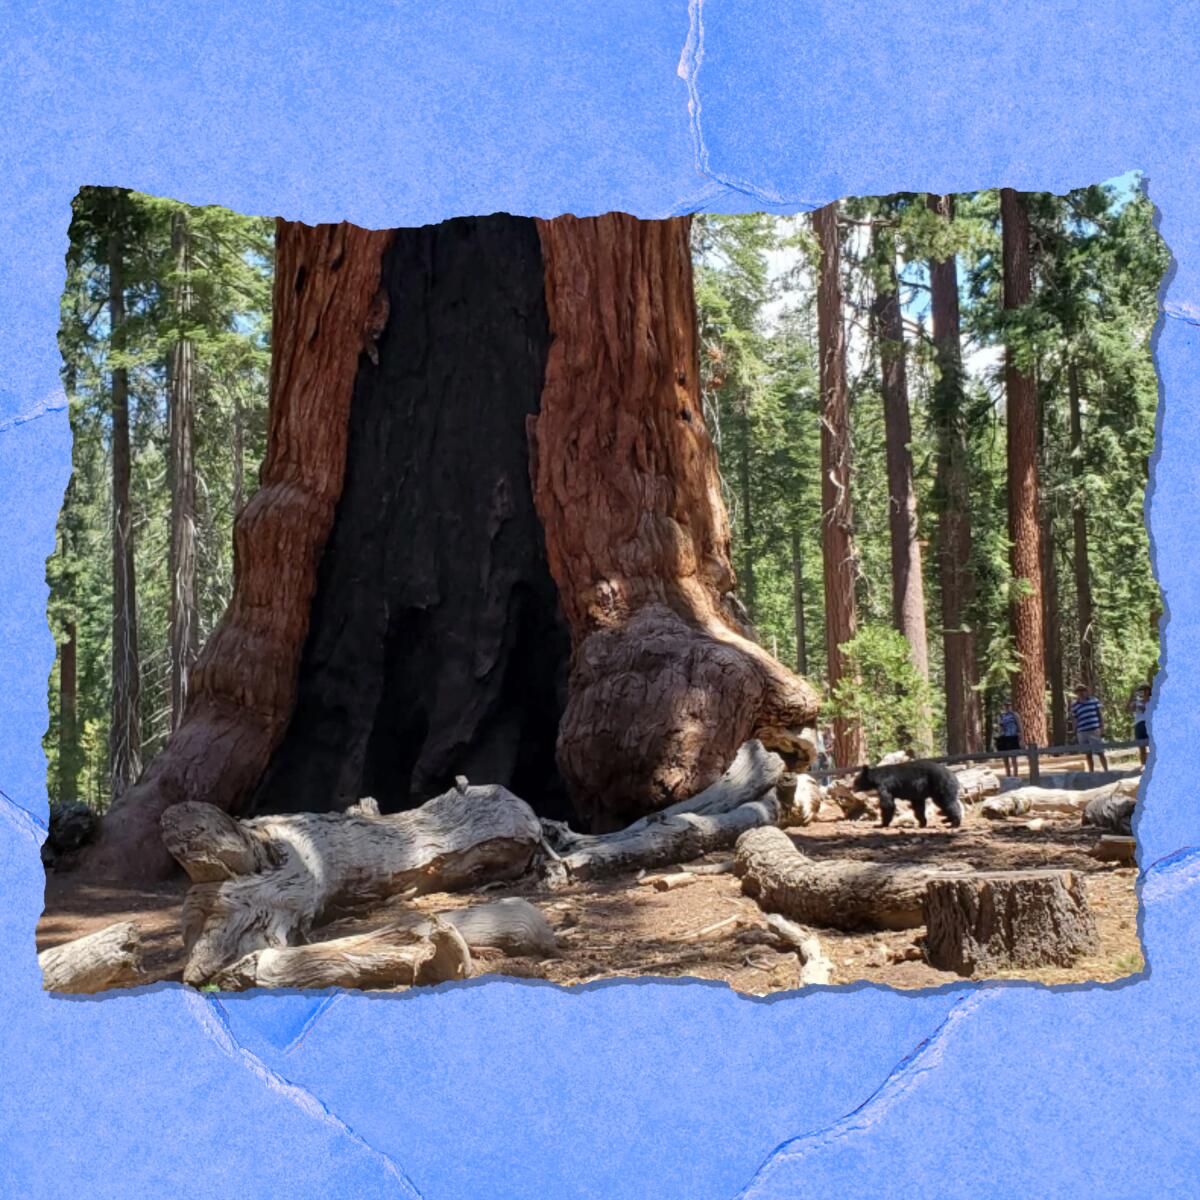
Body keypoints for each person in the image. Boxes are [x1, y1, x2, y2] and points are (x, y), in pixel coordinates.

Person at [1070, 684, 1109, 772]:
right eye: (1079, 691)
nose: (1081, 693)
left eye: (1083, 691)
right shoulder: (1075, 706)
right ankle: (1091, 772)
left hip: (1094, 729)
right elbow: (1075, 719)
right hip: (1082, 731)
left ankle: (1106, 770)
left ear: (1086, 691)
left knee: (1100, 751)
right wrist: (1074, 732)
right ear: (1076, 693)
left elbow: (1100, 715)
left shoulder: (1094, 701)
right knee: (1088, 753)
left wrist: (1102, 727)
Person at [994, 699, 1022, 778]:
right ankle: (1008, 775)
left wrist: (1021, 739)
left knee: (1014, 758)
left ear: (1011, 706)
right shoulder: (1001, 716)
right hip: (1004, 738)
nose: (1007, 707)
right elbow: (1000, 727)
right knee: (1005, 758)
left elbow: (1020, 727)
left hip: (1013, 737)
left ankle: (1015, 776)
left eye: (1009, 705)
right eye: (1005, 705)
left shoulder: (1015, 715)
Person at [1131, 683, 1151, 766]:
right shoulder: (1137, 702)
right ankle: (1143, 766)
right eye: (1139, 691)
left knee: (1153, 746)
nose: (1141, 693)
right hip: (1139, 725)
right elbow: (1127, 709)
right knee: (1142, 748)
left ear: (1147, 691)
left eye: (1142, 691)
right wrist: (1131, 697)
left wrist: (1144, 707)